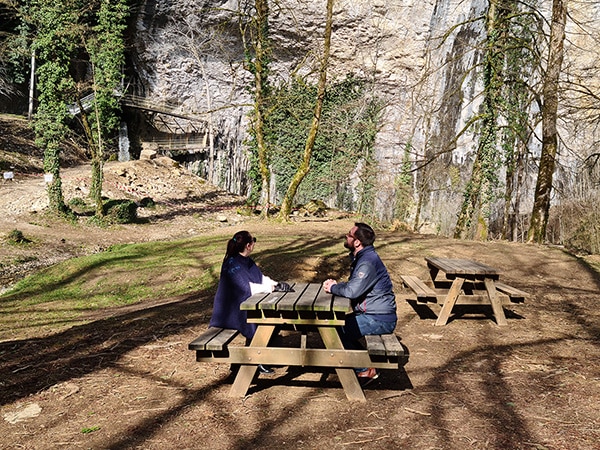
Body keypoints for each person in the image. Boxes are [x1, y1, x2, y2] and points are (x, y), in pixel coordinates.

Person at [323, 222, 397, 384]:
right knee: (334, 328)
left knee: (333, 333)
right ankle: (363, 365)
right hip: (372, 314)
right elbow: (354, 285)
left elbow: (352, 292)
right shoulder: (363, 258)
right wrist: (336, 286)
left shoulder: (367, 262)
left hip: (378, 318)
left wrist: (334, 287)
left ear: (357, 242)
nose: (346, 236)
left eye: (349, 235)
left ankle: (365, 370)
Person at [209, 230, 282, 374]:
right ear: (249, 245)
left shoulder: (246, 261)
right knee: (267, 321)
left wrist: (276, 284)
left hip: (243, 305)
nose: (254, 243)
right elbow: (246, 288)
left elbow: (260, 278)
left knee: (273, 320)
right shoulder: (232, 264)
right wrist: (271, 288)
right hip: (231, 312)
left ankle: (255, 356)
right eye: (254, 240)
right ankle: (256, 359)